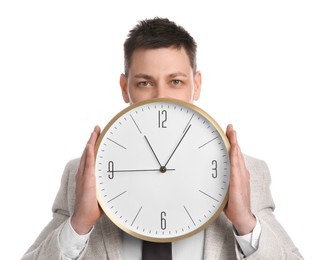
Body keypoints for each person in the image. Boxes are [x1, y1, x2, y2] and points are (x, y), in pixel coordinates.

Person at [22, 17, 303, 260]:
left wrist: (244, 222)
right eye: (145, 83)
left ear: (197, 85)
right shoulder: (81, 174)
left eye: (176, 82)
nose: (161, 97)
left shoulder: (248, 172)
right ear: (124, 88)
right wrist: (79, 224)